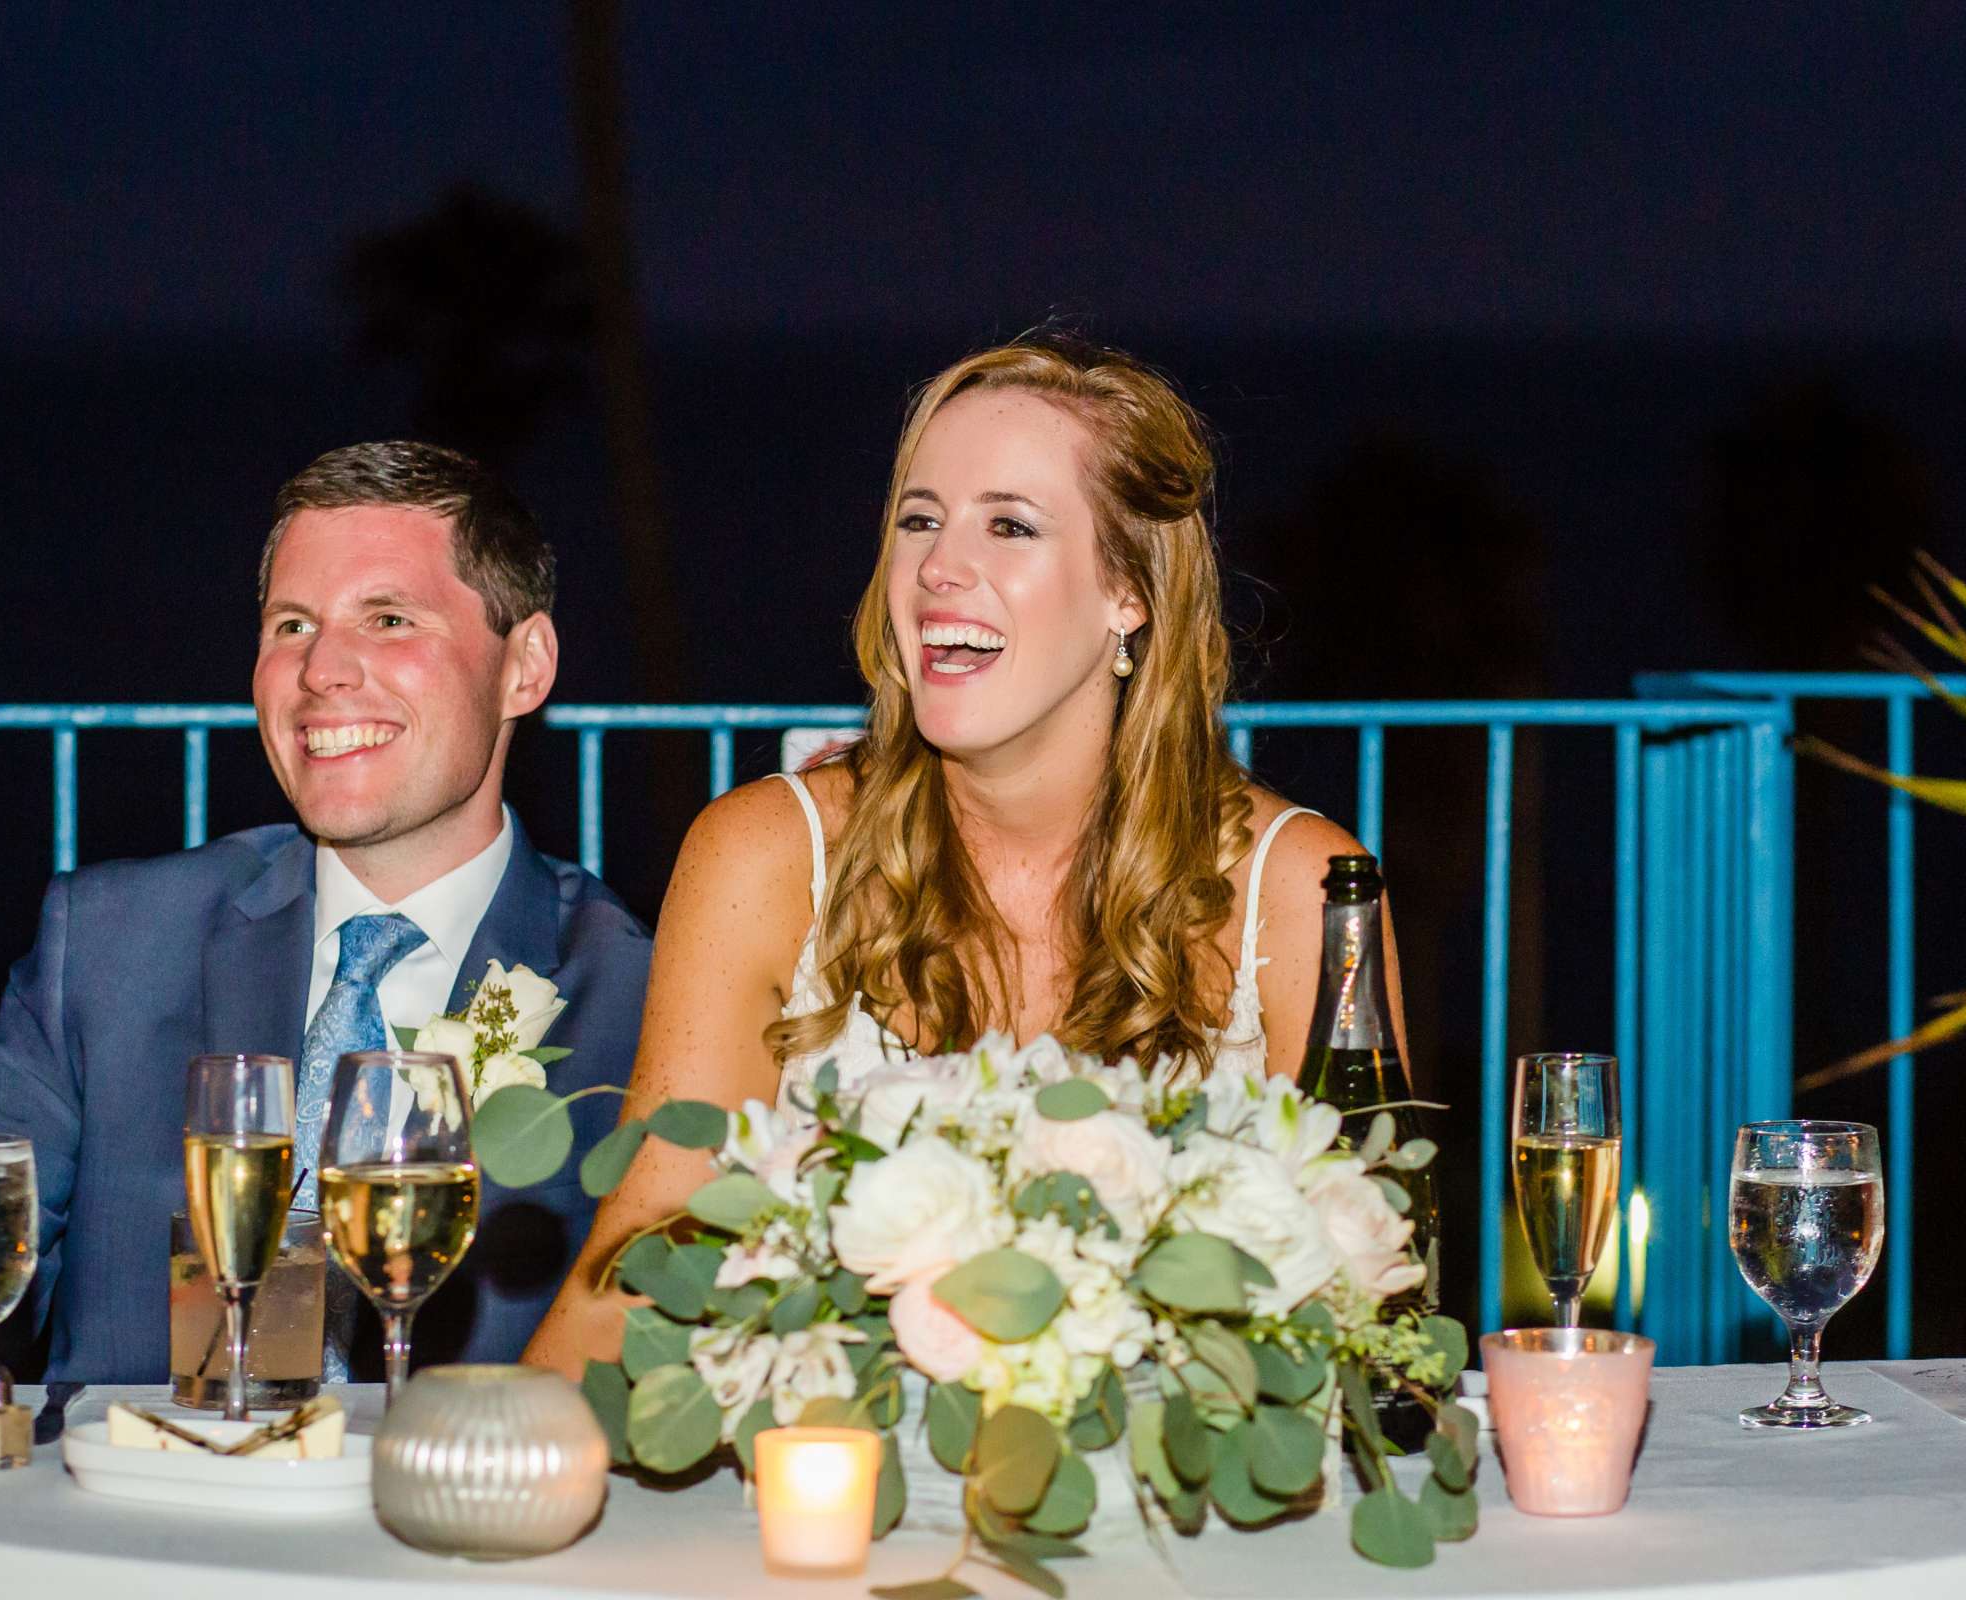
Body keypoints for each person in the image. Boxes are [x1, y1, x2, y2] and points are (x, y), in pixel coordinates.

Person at [524, 339, 1412, 1375]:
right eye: (918, 520)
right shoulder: (765, 856)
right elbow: (642, 1262)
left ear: (1129, 589)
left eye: (1010, 525)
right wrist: (472, 1479)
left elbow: (1368, 1322)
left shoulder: (1303, 892)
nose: (939, 568)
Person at [0, 441, 650, 1381]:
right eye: (293, 626)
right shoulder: (111, 945)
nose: (323, 671)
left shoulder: (636, 994)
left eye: (388, 618)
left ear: (525, 667)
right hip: (133, 1517)